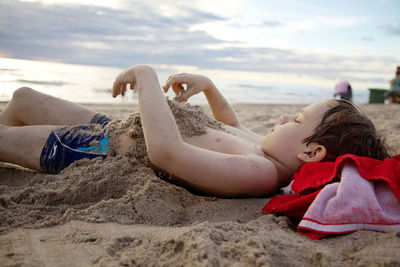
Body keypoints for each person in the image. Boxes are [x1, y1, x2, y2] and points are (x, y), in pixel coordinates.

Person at [0, 65, 390, 197]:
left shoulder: (262, 173)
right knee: (21, 98)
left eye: (298, 120)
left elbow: (166, 152)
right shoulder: (268, 149)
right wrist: (209, 86)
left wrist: (146, 76)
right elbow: (232, 124)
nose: (286, 119)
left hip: (100, 148)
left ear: (311, 153)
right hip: (118, 127)